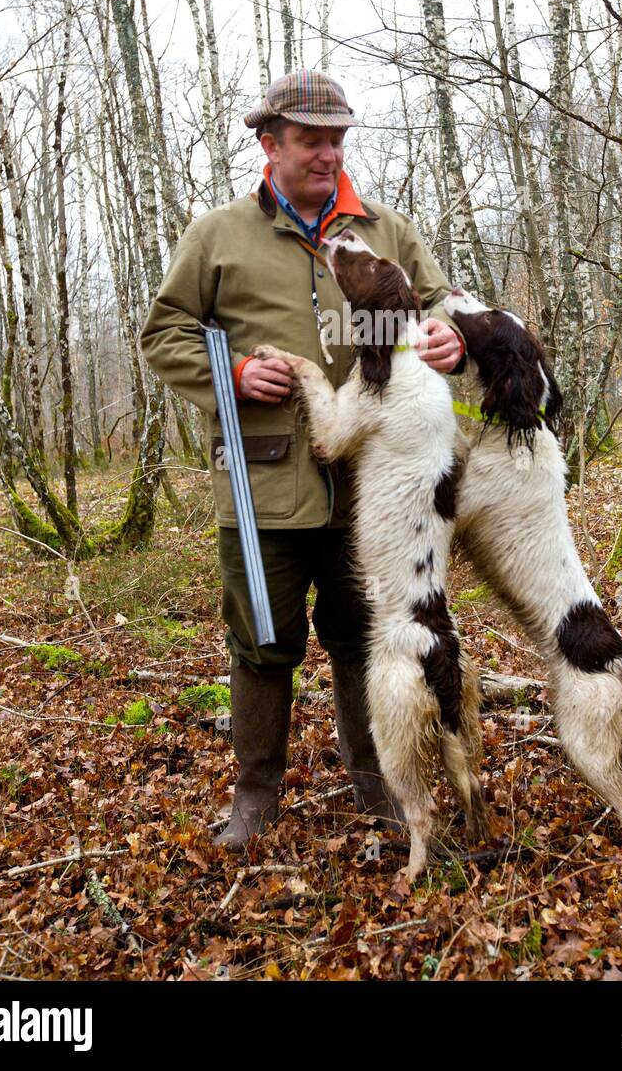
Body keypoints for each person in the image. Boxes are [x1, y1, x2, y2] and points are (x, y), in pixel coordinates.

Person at [140, 68, 465, 850]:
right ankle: (255, 793)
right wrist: (237, 377)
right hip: (264, 484)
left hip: (373, 486)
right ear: (270, 143)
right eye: (311, 140)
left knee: (365, 635)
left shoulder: (383, 228)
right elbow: (164, 332)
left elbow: (442, 303)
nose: (327, 154)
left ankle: (379, 783)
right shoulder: (218, 236)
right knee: (262, 640)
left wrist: (453, 337)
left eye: (337, 140)